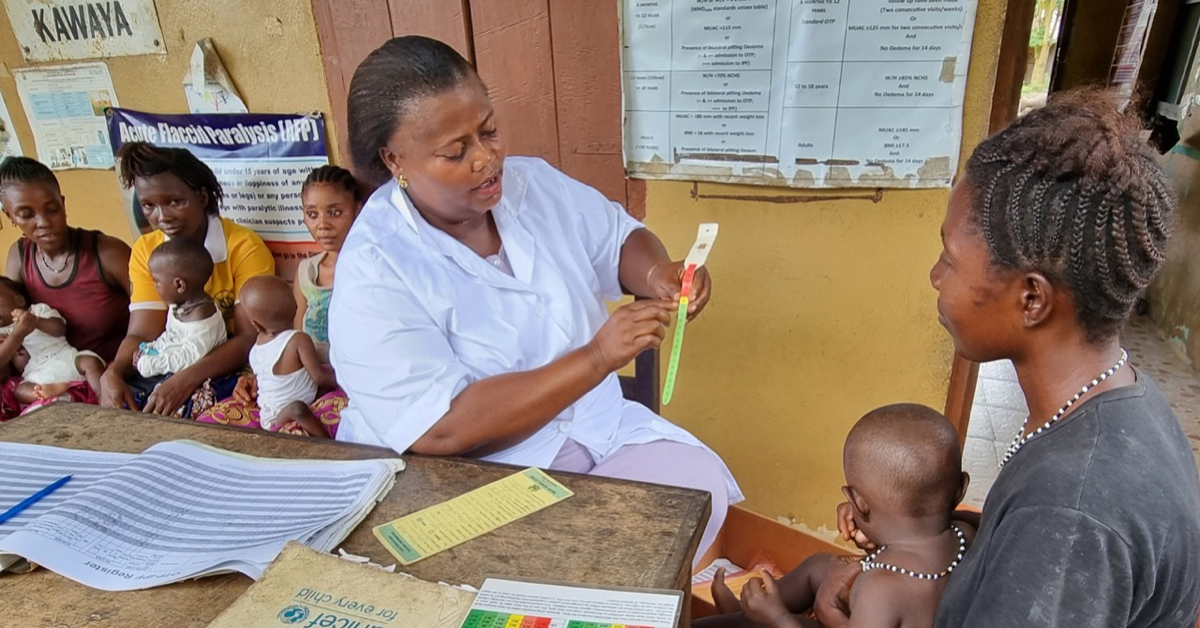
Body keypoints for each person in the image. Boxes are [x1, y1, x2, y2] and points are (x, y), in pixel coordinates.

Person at [328, 35, 742, 561]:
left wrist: (657, 271)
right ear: (394, 160)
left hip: (595, 429)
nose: (486, 159)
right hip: (473, 476)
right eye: (456, 152)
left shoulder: (533, 186)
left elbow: (617, 240)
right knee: (560, 566)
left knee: (692, 496)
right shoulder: (376, 265)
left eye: (490, 130)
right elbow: (442, 428)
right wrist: (595, 357)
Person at [817, 90, 1200, 627]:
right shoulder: (1123, 402)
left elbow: (1050, 546)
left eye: (949, 259)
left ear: (1032, 299)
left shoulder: (1070, 514)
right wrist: (908, 529)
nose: (935, 276)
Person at [698, 404, 972, 628]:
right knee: (821, 566)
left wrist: (777, 619)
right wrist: (879, 532)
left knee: (778, 619)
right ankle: (746, 614)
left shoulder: (880, 591)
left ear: (859, 504)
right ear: (961, 488)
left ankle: (752, 617)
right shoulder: (965, 534)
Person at [100, 143, 275, 418]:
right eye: (149, 206)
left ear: (202, 197)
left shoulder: (243, 247)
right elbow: (143, 333)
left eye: (174, 202)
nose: (162, 216)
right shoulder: (147, 251)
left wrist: (187, 379)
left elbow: (248, 337)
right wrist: (114, 371)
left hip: (229, 369)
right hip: (171, 364)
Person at [195, 166, 358, 435]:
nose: (323, 225)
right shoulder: (306, 271)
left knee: (305, 434)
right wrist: (263, 377)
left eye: (335, 213)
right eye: (312, 214)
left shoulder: (368, 271)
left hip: (346, 379)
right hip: (300, 375)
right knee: (215, 424)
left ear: (359, 210)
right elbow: (288, 335)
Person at [0, 157, 130, 364]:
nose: (43, 222)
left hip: (120, 374)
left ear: (63, 203)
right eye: (26, 214)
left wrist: (115, 373)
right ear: (10, 217)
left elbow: (153, 320)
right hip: (53, 378)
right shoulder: (19, 257)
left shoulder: (107, 253)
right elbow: (13, 320)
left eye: (52, 209)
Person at [241, 275, 335, 437]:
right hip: (282, 415)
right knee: (298, 408)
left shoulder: (256, 347)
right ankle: (329, 444)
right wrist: (346, 379)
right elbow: (319, 377)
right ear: (296, 306)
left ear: (256, 325)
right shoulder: (299, 339)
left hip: (266, 414)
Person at [0, 277, 105, 405]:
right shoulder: (3, 333)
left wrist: (36, 321)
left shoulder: (37, 310)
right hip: (37, 372)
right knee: (19, 391)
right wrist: (15, 337)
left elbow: (60, 328)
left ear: (19, 300)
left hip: (64, 356)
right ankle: (52, 392)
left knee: (90, 361)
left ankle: (102, 397)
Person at [132, 239, 227, 379]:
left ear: (179, 285)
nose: (154, 286)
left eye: (156, 281)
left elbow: (187, 359)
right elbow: (171, 337)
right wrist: (149, 349)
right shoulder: (178, 305)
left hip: (198, 377)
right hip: (172, 365)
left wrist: (149, 364)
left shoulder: (202, 319)